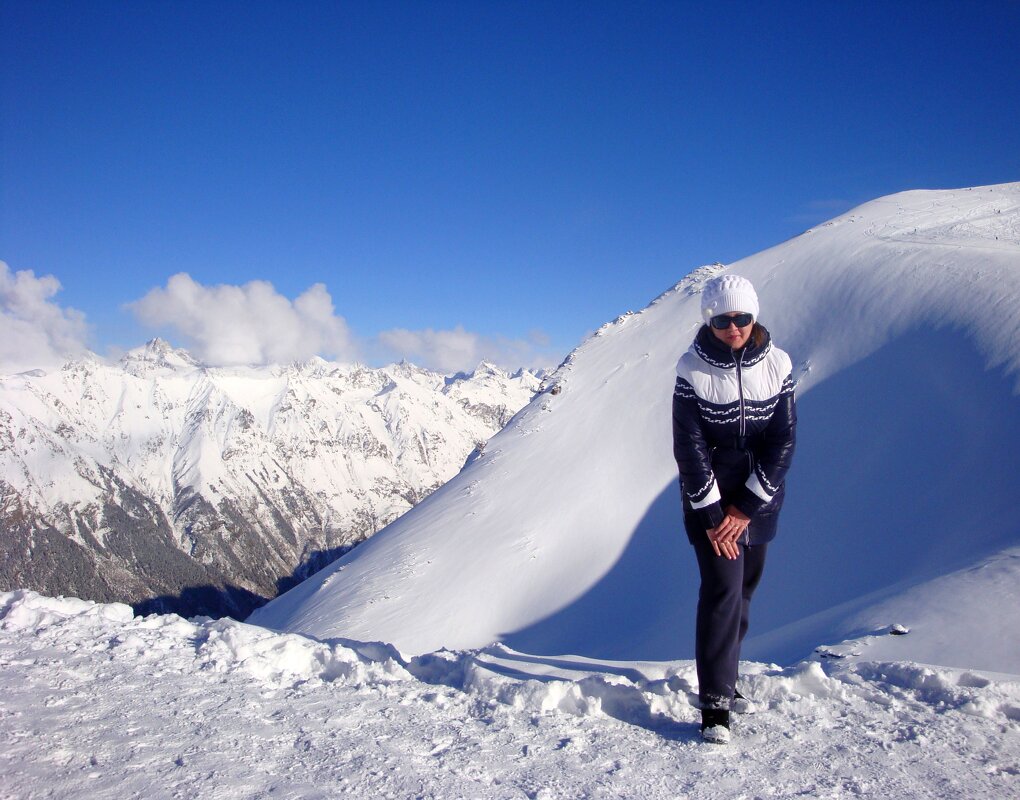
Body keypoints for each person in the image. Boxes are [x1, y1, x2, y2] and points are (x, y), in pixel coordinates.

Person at [671, 274, 797, 744]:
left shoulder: (778, 364)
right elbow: (690, 446)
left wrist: (746, 506)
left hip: (757, 500)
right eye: (723, 319)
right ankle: (715, 704)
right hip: (708, 499)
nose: (733, 327)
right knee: (722, 590)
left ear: (754, 315)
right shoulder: (692, 368)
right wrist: (713, 512)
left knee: (745, 589)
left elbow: (782, 438)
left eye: (742, 317)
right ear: (709, 319)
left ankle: (729, 676)